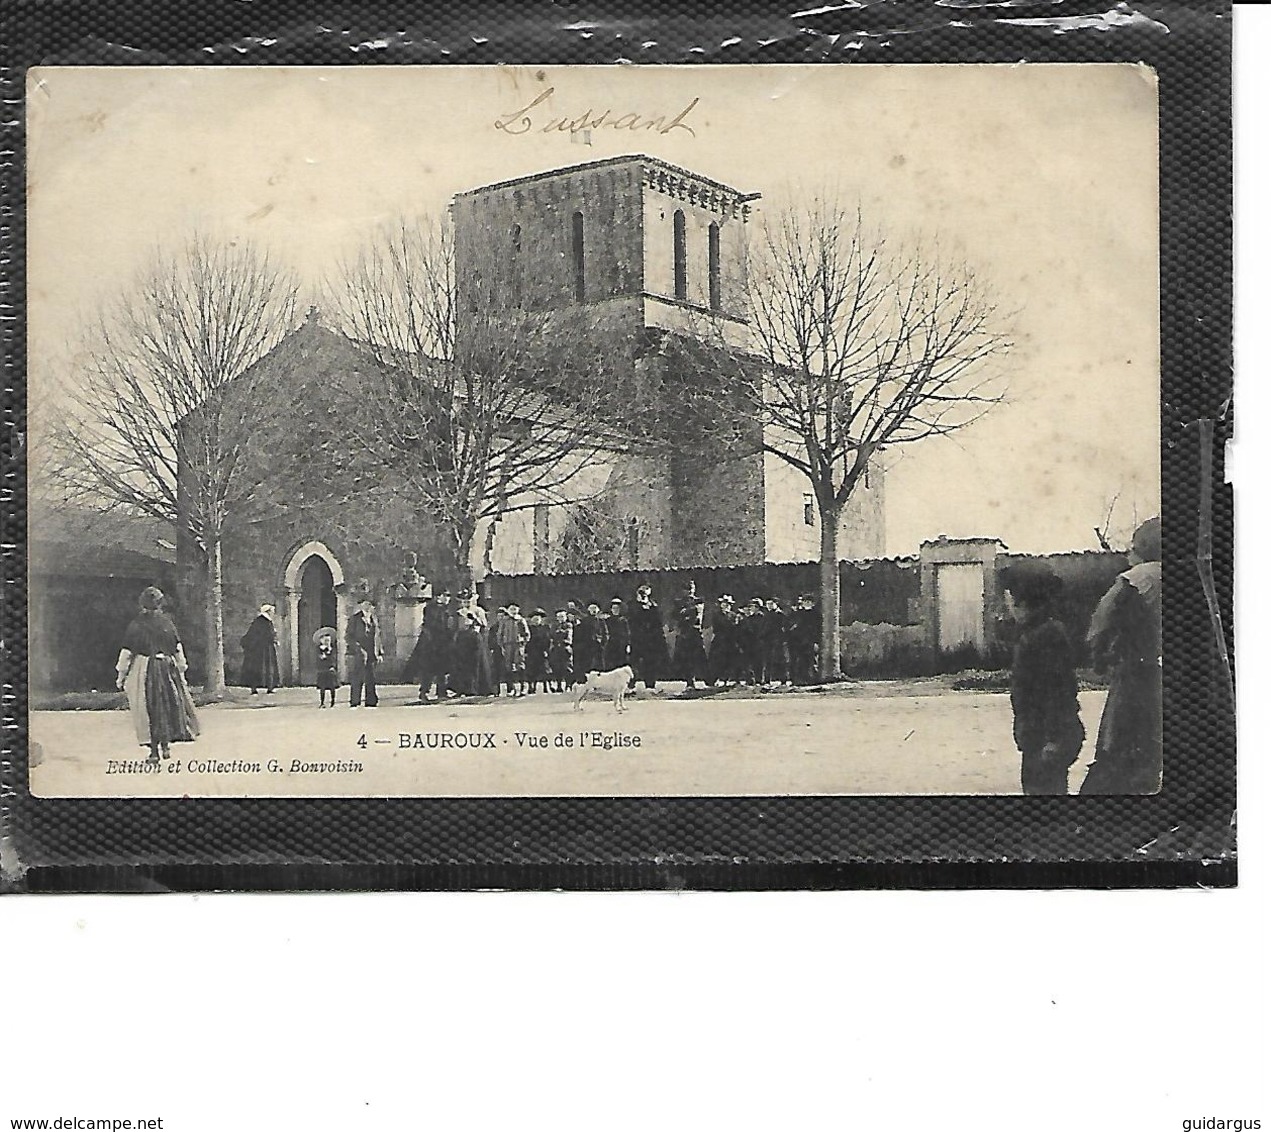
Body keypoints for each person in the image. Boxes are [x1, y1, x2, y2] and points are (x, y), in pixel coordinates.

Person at [1080, 516, 1163, 795]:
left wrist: (1099, 654)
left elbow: (1103, 620)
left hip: (1135, 669)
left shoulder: (1135, 579)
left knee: (1117, 739)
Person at [1004, 569, 1086, 795]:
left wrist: (1053, 738)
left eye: (1010, 600)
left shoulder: (1041, 637)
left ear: (1021, 602)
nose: (1008, 607)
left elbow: (1056, 690)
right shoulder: (1039, 632)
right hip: (1038, 735)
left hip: (1045, 736)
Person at [115, 586, 199, 763]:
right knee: (167, 706)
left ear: (142, 604)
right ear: (160, 604)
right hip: (167, 667)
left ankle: (154, 751)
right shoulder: (167, 623)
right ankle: (166, 746)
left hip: (145, 668)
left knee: (149, 708)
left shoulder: (136, 625)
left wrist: (121, 675)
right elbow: (177, 649)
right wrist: (181, 670)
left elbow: (127, 652)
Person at [406, 589, 455, 702]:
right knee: (428, 669)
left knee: (441, 668)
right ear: (439, 596)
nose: (448, 598)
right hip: (431, 644)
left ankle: (441, 691)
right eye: (446, 595)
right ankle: (424, 692)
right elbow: (432, 625)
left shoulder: (444, 609)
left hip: (441, 643)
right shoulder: (431, 609)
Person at [628, 585, 669, 690]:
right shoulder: (632, 606)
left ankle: (650, 685)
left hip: (650, 640)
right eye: (641, 594)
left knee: (650, 662)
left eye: (645, 594)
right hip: (636, 639)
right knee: (634, 662)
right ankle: (630, 685)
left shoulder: (653, 607)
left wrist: (659, 638)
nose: (642, 596)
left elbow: (657, 624)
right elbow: (630, 622)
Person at [345, 596, 382, 708]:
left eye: (369, 604)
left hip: (371, 651)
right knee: (357, 676)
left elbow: (377, 637)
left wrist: (379, 652)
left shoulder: (373, 619)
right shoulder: (355, 619)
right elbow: (348, 637)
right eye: (365, 604)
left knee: (371, 676)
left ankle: (371, 700)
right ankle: (355, 700)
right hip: (359, 652)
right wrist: (358, 648)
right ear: (361, 605)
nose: (367, 606)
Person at [673, 582, 710, 690]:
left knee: (700, 656)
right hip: (684, 633)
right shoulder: (678, 602)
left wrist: (687, 611)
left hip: (695, 632)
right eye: (687, 589)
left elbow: (698, 612)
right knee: (686, 658)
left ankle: (708, 679)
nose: (689, 591)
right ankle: (690, 681)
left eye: (691, 589)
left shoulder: (698, 601)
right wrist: (685, 614)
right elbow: (676, 615)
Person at [239, 603, 280, 695]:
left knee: (262, 668)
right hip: (262, 649)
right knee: (263, 667)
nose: (273, 613)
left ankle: (265, 687)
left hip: (262, 648)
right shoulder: (263, 622)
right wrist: (273, 638)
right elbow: (263, 634)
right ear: (268, 611)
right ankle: (264, 687)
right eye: (272, 611)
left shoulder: (263, 621)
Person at [496, 601, 531, 697]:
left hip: (518, 645)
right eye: (511, 609)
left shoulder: (521, 620)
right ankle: (511, 688)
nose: (513, 611)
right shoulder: (504, 621)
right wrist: (501, 646)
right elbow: (500, 633)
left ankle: (523, 686)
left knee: (519, 665)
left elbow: (527, 634)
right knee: (508, 666)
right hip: (507, 645)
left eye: (515, 609)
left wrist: (523, 643)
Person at [575, 601, 609, 680]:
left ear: (598, 610)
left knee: (599, 665)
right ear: (588, 610)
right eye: (591, 608)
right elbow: (580, 634)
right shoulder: (584, 621)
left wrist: (603, 644)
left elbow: (606, 633)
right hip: (587, 647)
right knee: (587, 665)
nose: (593, 610)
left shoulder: (601, 621)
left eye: (595, 608)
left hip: (598, 647)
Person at [548, 609, 575, 693]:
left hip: (565, 647)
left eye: (562, 616)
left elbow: (568, 635)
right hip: (556, 648)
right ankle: (559, 685)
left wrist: (559, 633)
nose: (561, 618)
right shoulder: (554, 626)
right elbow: (551, 635)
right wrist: (558, 634)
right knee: (557, 667)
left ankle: (568, 685)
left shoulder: (569, 625)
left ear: (566, 617)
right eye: (559, 617)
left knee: (567, 667)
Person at [526, 608, 551, 694]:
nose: (536, 621)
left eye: (538, 619)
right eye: (534, 619)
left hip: (542, 651)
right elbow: (527, 640)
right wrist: (526, 651)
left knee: (544, 670)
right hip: (531, 651)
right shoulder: (529, 629)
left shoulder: (545, 628)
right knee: (531, 670)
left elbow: (548, 640)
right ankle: (531, 687)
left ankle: (546, 687)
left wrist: (547, 650)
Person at [314, 628, 339, 708]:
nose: (326, 642)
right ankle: (322, 702)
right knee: (322, 687)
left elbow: (334, 658)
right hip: (322, 670)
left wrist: (333, 666)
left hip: (330, 669)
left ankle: (333, 701)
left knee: (332, 686)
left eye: (328, 640)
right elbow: (317, 658)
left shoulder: (332, 649)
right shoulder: (319, 649)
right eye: (325, 640)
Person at [604, 598, 631, 670]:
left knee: (621, 662)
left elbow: (627, 633)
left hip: (621, 644)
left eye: (617, 608)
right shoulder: (608, 620)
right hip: (611, 643)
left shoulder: (623, 620)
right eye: (614, 608)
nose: (615, 610)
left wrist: (628, 644)